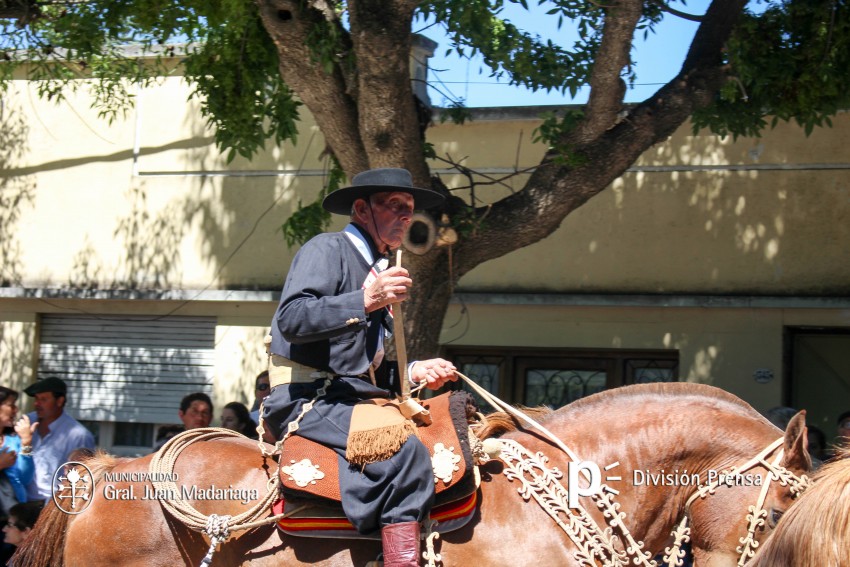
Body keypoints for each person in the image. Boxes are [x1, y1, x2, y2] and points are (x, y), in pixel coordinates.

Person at [263, 168, 458, 567]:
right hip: (307, 399)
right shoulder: (327, 248)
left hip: (349, 398)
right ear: (360, 209)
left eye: (409, 209)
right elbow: (292, 319)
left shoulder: (378, 269)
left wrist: (414, 371)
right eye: (394, 205)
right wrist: (365, 301)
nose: (406, 215)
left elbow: (362, 368)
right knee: (404, 450)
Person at [23, 377, 95, 503]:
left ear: (60, 401)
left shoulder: (78, 435)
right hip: (21, 501)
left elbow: (83, 480)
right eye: (36, 399)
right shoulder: (27, 422)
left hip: (54, 505)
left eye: (43, 399)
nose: (37, 404)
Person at [0, 388, 34, 518]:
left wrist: (26, 443)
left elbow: (25, 478)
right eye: (11, 405)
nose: (16, 410)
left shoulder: (14, 440)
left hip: (12, 516)